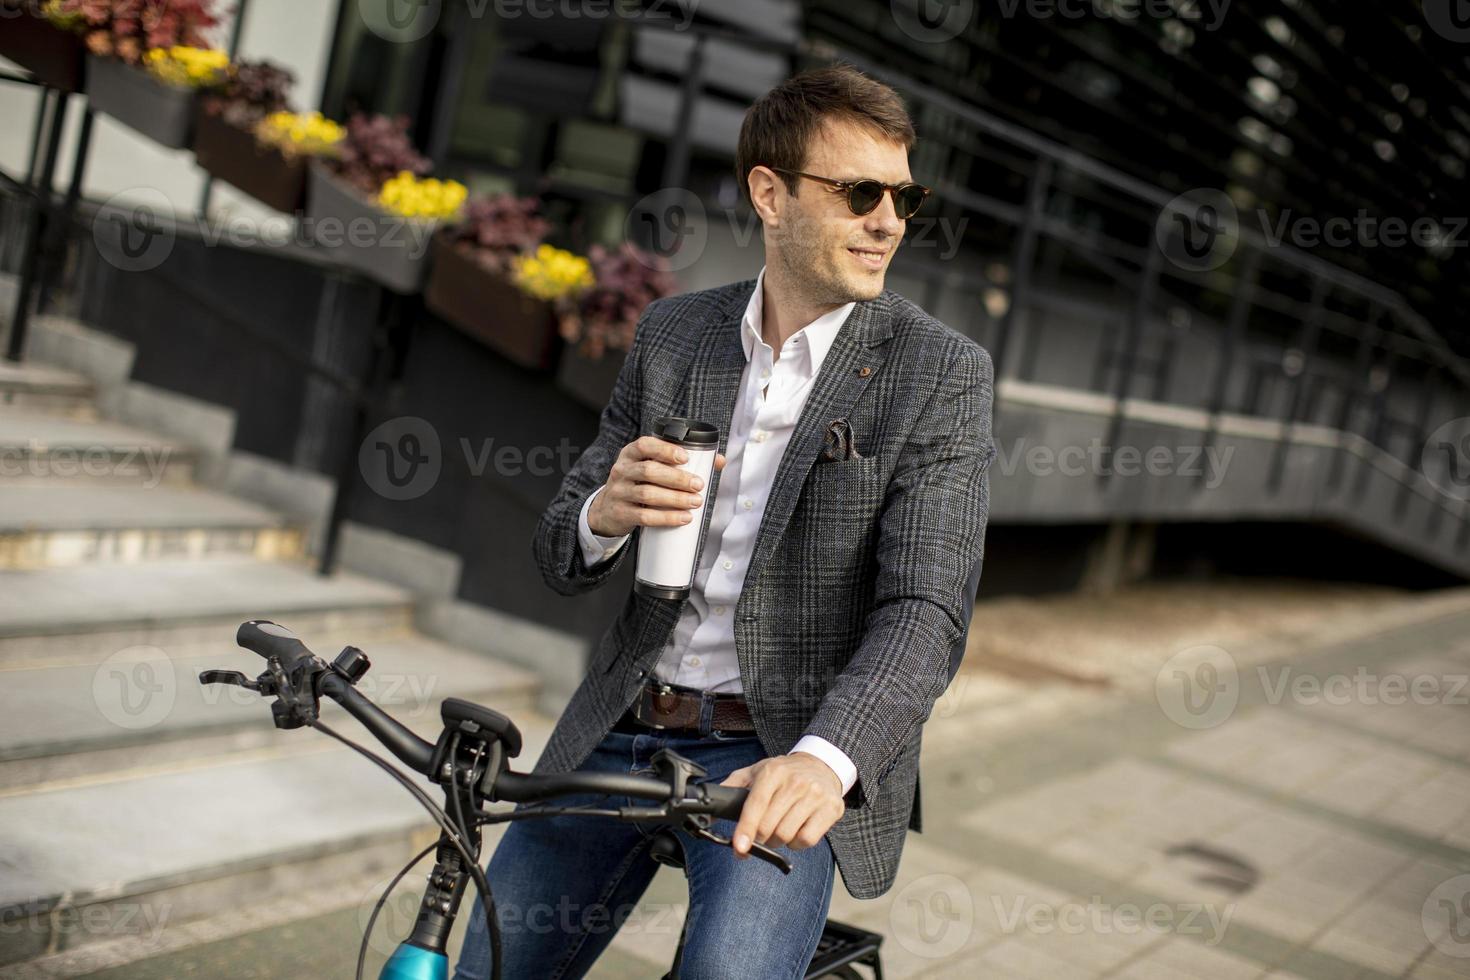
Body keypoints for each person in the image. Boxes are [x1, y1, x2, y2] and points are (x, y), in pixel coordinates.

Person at [453, 62, 996, 980]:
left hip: (778, 745)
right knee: (490, 970)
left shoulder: (940, 373)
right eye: (862, 192)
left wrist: (825, 762)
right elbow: (559, 552)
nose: (891, 222)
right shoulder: (676, 334)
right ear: (770, 196)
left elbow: (927, 610)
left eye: (905, 197)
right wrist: (601, 513)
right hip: (625, 723)